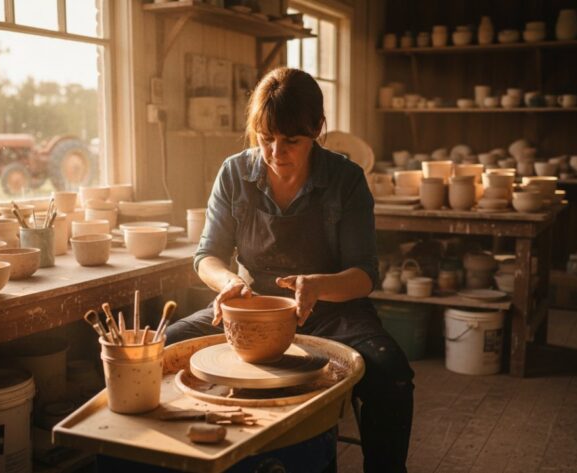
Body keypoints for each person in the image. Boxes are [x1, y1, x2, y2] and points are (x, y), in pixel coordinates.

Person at [165, 67, 414, 472]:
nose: (276, 152)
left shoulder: (345, 180)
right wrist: (227, 282)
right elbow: (206, 255)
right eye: (266, 140)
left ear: (317, 128)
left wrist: (317, 286)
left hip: (332, 310)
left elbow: (365, 274)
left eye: (291, 141)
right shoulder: (234, 173)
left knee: (391, 374)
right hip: (251, 308)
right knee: (163, 348)